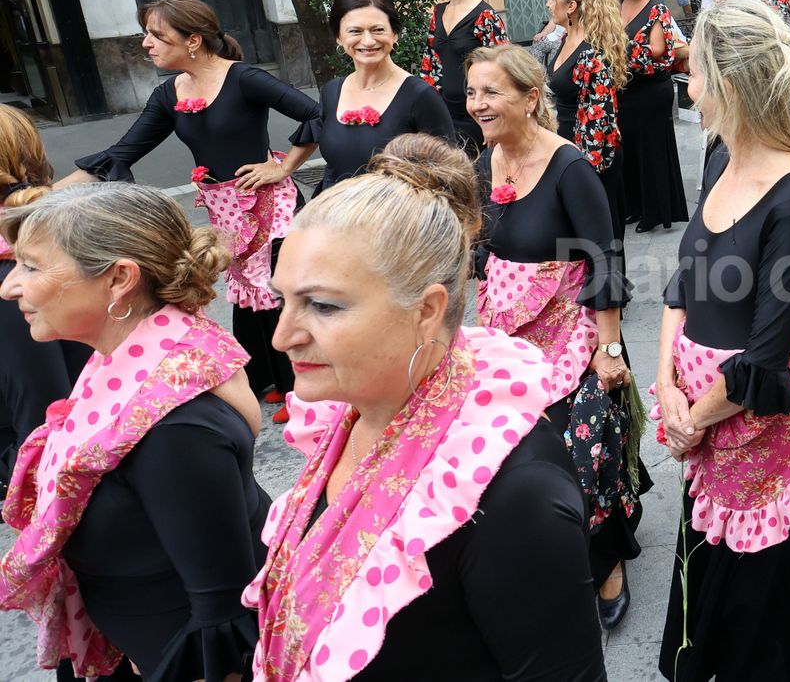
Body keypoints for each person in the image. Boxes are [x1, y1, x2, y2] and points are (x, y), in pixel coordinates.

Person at [247, 134, 606, 680]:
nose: (282, 337)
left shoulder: (514, 496)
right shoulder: (357, 412)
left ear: (427, 310)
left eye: (322, 305)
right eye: (284, 300)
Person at [653, 0, 790, 682]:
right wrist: (663, 387)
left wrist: (691, 422)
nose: (689, 84)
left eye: (695, 72)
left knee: (764, 618)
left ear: (728, 83)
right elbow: (683, 280)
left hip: (752, 427)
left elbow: (766, 357)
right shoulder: (716, 156)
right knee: (706, 585)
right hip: (704, 420)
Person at [0, 183, 265, 681]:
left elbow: (224, 624)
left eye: (31, 266)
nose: (9, 286)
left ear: (119, 278)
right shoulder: (140, 354)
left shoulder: (173, 428)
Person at [463, 45, 644, 631]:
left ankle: (608, 559)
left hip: (572, 333)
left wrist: (609, 349)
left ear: (531, 97)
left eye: (492, 92)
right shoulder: (485, 160)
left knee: (585, 457)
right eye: (472, 93)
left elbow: (604, 257)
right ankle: (546, 552)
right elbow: (485, 245)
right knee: (518, 459)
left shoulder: (570, 167)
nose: (478, 105)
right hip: (506, 335)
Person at [61, 0, 316, 405]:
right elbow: (121, 153)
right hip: (224, 212)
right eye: (147, 34)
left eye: (157, 35)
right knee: (246, 292)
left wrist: (283, 168)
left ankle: (297, 387)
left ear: (193, 40)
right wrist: (38, 201)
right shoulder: (169, 94)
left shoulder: (245, 78)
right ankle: (266, 381)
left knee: (277, 291)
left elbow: (315, 114)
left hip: (271, 209)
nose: (146, 43)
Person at [0, 108, 88, 501]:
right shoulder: (46, 226)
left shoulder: (12, 264)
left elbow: (41, 400)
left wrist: (11, 478)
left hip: (67, 479)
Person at [314, 0, 453, 194]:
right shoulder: (332, 91)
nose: (368, 41)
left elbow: (448, 173)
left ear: (394, 34)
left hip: (397, 220)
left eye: (378, 30)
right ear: (338, 38)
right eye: (355, 31)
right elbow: (333, 167)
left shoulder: (419, 96)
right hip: (339, 217)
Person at [544, 0, 631, 252]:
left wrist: (582, 171)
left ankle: (610, 296)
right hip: (570, 148)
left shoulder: (591, 53)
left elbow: (600, 119)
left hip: (593, 157)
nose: (548, 4)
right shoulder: (564, 40)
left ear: (570, 6)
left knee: (599, 239)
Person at [614, 0, 690, 234]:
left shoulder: (657, 7)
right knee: (629, 151)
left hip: (651, 90)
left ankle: (654, 212)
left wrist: (617, 48)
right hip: (624, 90)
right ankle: (634, 207)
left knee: (651, 150)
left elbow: (658, 50)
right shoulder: (616, 5)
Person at [422, 0, 511, 154]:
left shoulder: (484, 15)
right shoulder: (438, 12)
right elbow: (431, 64)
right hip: (445, 113)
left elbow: (504, 69)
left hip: (478, 114)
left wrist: (494, 123)